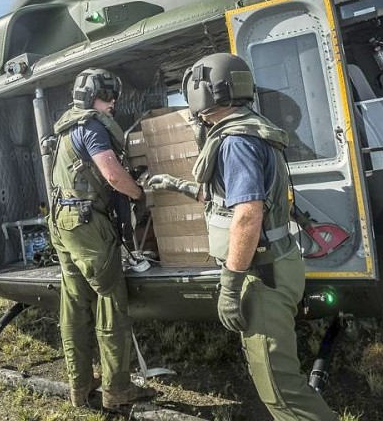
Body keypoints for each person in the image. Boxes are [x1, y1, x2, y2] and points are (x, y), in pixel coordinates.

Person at [147, 53, 337, 421]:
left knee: (282, 392)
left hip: (261, 276)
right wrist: (174, 184)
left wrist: (230, 286)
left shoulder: (235, 142)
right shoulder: (251, 128)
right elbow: (224, 197)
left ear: (204, 95)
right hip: (274, 266)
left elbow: (248, 214)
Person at [49, 68, 155, 410]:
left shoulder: (67, 127)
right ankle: (117, 390)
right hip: (87, 225)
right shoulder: (91, 127)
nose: (112, 104)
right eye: (108, 97)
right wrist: (139, 192)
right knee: (111, 301)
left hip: (63, 222)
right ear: (95, 96)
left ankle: (79, 387)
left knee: (74, 303)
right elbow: (111, 173)